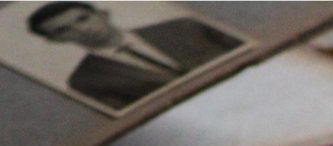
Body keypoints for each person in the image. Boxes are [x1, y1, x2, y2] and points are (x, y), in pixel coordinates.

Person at [26, 1, 241, 111]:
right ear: (56, 41)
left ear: (102, 14)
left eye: (83, 19)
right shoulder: (85, 82)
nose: (83, 29)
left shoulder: (184, 26)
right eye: (64, 30)